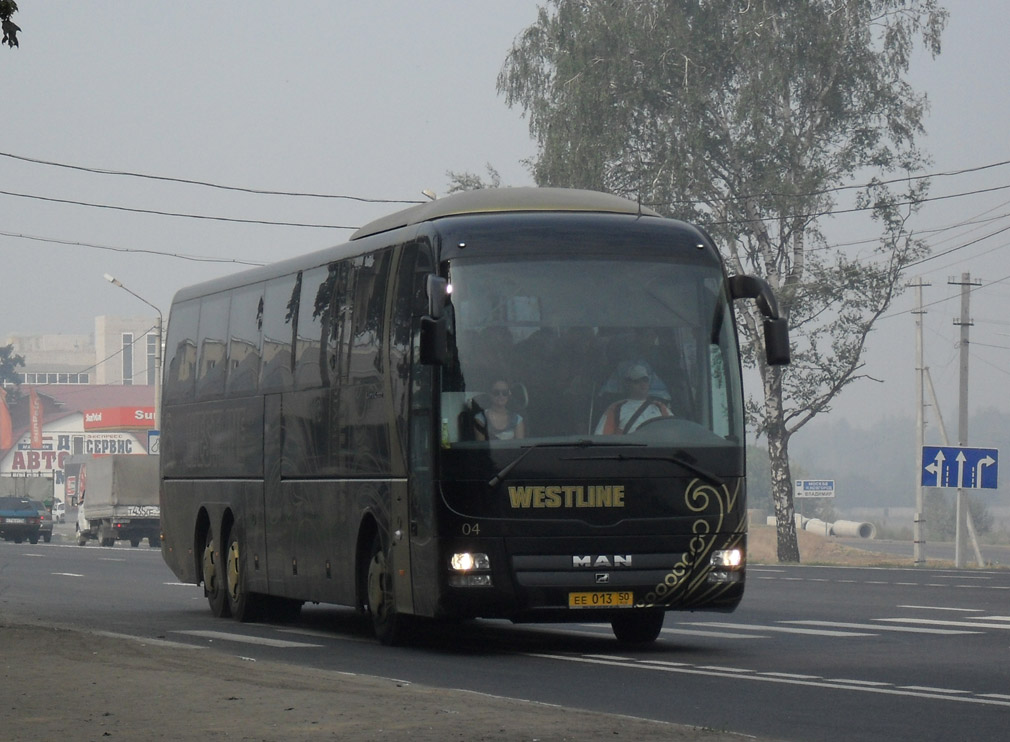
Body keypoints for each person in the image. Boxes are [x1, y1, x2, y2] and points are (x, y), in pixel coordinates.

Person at [595, 364, 672, 435]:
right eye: (637, 381)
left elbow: (674, 433)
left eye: (645, 380)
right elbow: (602, 438)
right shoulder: (616, 408)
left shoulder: (660, 407)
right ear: (628, 384)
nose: (642, 384)